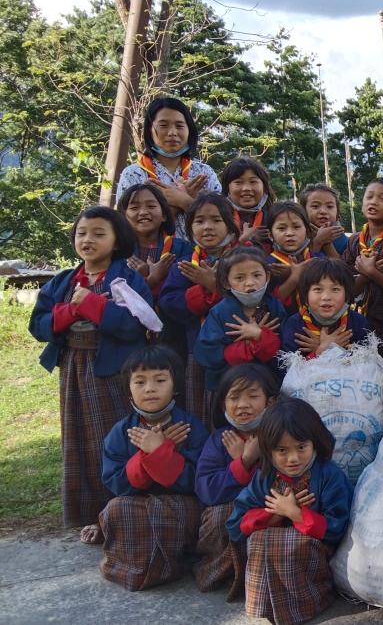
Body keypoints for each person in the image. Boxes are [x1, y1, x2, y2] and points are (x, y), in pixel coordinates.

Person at [29, 207, 152, 543]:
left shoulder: (127, 280)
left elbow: (137, 325)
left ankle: (118, 513)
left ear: (117, 241)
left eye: (99, 233)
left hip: (114, 370)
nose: (88, 240)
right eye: (82, 233)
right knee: (79, 440)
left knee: (112, 440)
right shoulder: (63, 281)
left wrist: (94, 306)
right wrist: (69, 311)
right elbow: (38, 324)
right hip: (74, 367)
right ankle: (90, 514)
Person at [226, 398, 351, 623]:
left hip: (312, 555)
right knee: (260, 540)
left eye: (301, 447)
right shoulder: (264, 477)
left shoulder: (330, 476)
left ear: (314, 442)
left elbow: (337, 529)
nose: (293, 458)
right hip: (271, 549)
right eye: (282, 450)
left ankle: (307, 602)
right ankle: (265, 605)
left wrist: (297, 514)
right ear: (268, 450)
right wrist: (276, 513)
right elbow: (236, 525)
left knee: (288, 544)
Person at [98, 346, 207, 590]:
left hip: (180, 502)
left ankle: (168, 565)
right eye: (140, 382)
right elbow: (116, 484)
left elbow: (198, 480)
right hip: (135, 503)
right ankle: (144, 567)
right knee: (115, 509)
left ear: (175, 385)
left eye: (160, 380)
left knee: (184, 513)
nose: (150, 389)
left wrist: (160, 453)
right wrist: (148, 454)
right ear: (128, 388)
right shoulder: (121, 432)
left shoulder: (191, 427)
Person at [193, 363, 277, 595]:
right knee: (222, 515)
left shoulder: (280, 435)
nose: (242, 405)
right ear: (223, 405)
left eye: (252, 396)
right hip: (226, 509)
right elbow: (206, 490)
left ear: (270, 402)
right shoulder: (219, 439)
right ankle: (222, 574)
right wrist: (244, 462)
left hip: (270, 507)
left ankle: (259, 577)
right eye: (234, 397)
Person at [157, 194, 241, 424]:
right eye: (199, 221)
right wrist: (204, 291)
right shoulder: (185, 263)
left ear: (230, 224)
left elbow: (259, 297)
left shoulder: (246, 258)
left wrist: (215, 286)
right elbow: (168, 301)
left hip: (240, 347)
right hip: (198, 348)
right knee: (202, 409)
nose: (207, 227)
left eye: (216, 220)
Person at [115, 97, 220, 240]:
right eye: (163, 125)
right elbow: (125, 226)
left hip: (199, 253)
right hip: (149, 252)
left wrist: (185, 201)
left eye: (180, 126)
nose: (172, 132)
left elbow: (223, 220)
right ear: (150, 130)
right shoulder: (133, 174)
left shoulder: (204, 173)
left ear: (189, 130)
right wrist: (175, 206)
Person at [193, 247, 286, 393]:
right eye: (240, 278)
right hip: (228, 384)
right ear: (226, 282)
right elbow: (206, 352)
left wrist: (260, 336)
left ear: (267, 277)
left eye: (257, 275)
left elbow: (284, 349)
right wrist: (246, 348)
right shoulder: (220, 312)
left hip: (267, 381)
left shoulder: (274, 307)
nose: (250, 283)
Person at [341, 177, 383, 341]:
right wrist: (367, 275)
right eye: (369, 197)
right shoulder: (355, 240)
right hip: (356, 320)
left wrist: (373, 273)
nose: (374, 202)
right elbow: (345, 288)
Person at [280, 258, 371, 359]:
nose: (326, 297)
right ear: (305, 294)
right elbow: (286, 367)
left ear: (347, 294)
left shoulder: (358, 322)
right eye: (318, 289)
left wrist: (330, 349)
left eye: (335, 289)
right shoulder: (294, 324)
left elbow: (367, 363)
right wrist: (320, 351)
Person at [117, 183, 194, 296]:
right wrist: (150, 280)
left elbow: (182, 295)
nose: (143, 212)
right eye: (134, 208)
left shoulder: (183, 249)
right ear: (123, 217)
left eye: (151, 206)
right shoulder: (117, 252)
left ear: (164, 215)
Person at [265, 202, 318, 311]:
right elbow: (271, 303)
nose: (289, 233)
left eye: (296, 227)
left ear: (307, 231)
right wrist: (294, 278)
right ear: (270, 234)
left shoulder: (317, 259)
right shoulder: (269, 265)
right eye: (281, 228)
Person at [219, 157, 276, 247]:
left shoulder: (275, 217)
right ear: (227, 188)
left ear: (264, 186)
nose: (246, 188)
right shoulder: (219, 217)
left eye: (253, 182)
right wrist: (245, 239)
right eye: (238, 182)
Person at [299, 184, 347, 257]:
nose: (323, 211)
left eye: (329, 206)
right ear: (303, 210)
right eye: (315, 206)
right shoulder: (297, 236)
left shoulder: (342, 239)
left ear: (337, 212)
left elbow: (342, 264)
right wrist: (318, 241)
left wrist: (327, 243)